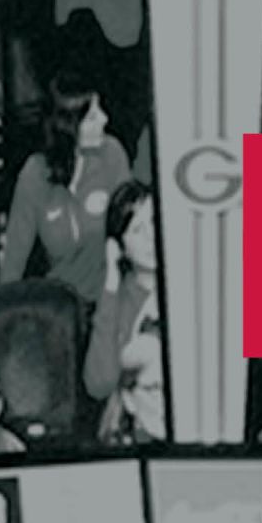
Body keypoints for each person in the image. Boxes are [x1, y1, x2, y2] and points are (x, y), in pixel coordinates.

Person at [0, 77, 132, 312]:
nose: (105, 119)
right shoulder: (35, 175)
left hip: (112, 303)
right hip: (61, 311)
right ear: (69, 127)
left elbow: (133, 235)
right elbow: (13, 261)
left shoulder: (113, 155)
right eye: (92, 117)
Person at [86, 181, 166, 444]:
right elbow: (100, 383)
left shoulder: (193, 281)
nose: (149, 237)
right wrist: (110, 281)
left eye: (154, 222)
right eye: (136, 229)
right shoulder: (117, 301)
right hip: (141, 432)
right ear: (121, 246)